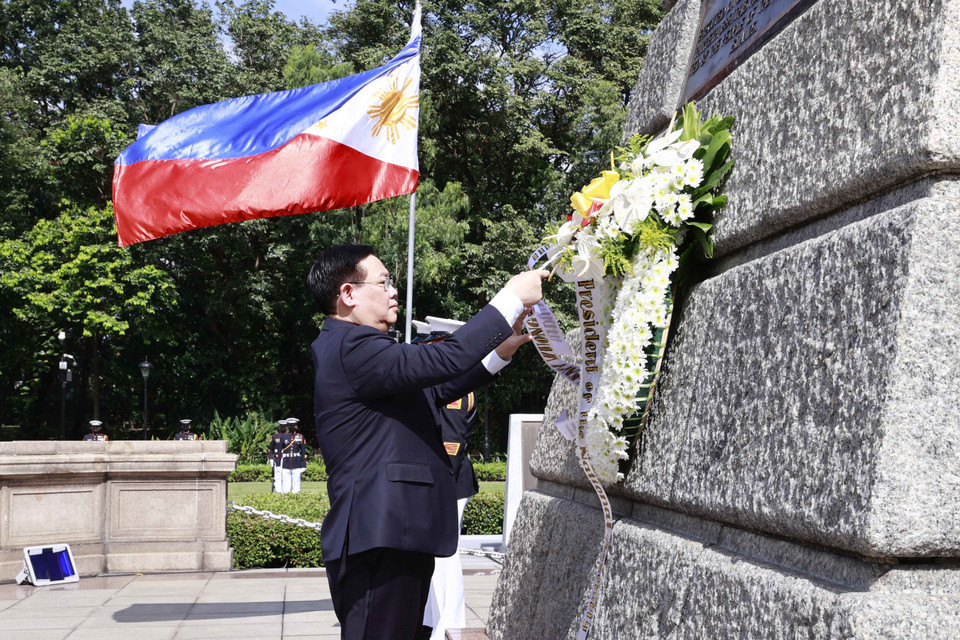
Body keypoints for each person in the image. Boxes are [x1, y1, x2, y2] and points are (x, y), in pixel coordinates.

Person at [308, 244, 546, 640]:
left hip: (395, 532)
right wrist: (510, 299)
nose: (392, 291)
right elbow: (445, 359)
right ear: (348, 294)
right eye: (383, 282)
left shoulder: (359, 349)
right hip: (380, 535)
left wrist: (500, 351)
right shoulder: (352, 346)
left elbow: (437, 387)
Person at [411, 321, 481, 640]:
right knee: (435, 557)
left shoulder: (454, 384)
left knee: (445, 557)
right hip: (442, 479)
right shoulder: (442, 381)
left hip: (449, 481)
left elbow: (452, 443)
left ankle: (447, 624)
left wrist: (435, 485)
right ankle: (433, 619)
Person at [280, 417, 306, 493]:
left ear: (296, 426)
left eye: (293, 425)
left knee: (296, 483)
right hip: (286, 461)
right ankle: (286, 495)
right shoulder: (283, 437)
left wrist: (304, 464)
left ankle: (296, 495)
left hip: (296, 462)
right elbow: (279, 450)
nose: (292, 427)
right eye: (290, 425)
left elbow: (303, 451)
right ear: (287, 426)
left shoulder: (300, 437)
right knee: (286, 484)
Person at [268, 419, 289, 493]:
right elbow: (271, 449)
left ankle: (285, 490)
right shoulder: (275, 436)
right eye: (281, 426)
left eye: (284, 426)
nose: (283, 428)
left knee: (286, 475)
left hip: (287, 459)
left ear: (287, 427)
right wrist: (270, 458)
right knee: (277, 475)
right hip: (277, 459)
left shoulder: (289, 436)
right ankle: (277, 490)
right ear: (279, 427)